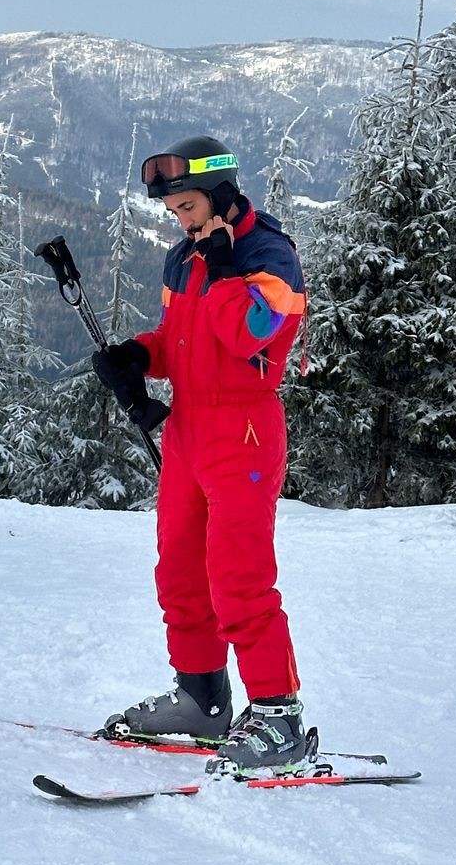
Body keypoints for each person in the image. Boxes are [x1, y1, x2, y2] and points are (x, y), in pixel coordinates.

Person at [92, 135, 309, 773]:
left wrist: (221, 269)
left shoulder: (269, 253)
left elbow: (249, 336)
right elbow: (181, 340)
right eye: (172, 212)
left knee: (238, 578)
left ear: (217, 195)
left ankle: (278, 715)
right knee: (181, 574)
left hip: (242, 430)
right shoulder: (186, 259)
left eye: (186, 207)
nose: (179, 222)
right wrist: (139, 355)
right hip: (189, 428)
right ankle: (202, 697)